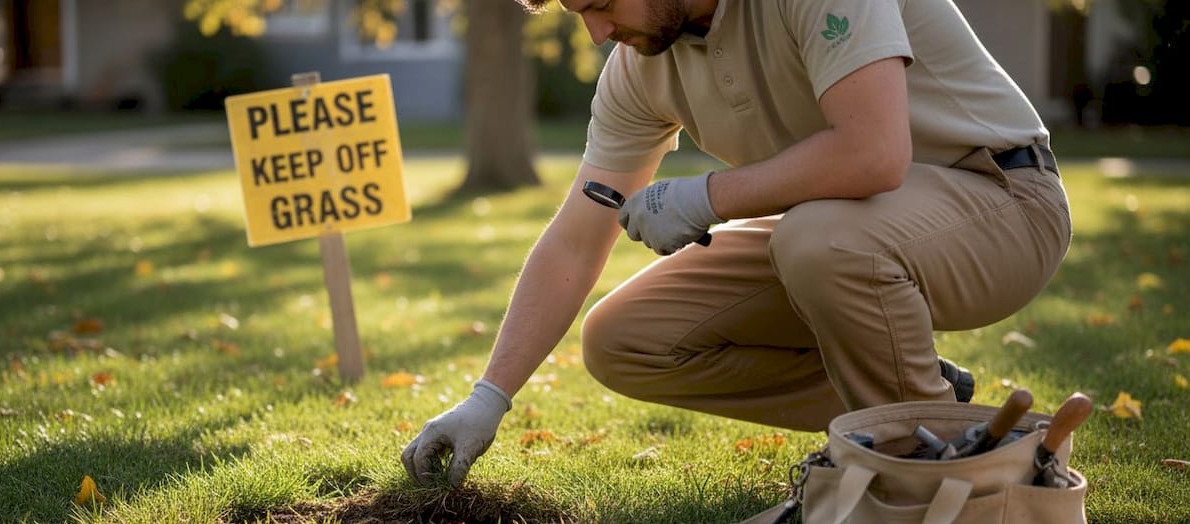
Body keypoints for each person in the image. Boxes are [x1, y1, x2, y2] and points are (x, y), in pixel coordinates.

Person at [401, 0, 1071, 486]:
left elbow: (874, 154)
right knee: (625, 341)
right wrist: (487, 398)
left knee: (818, 239)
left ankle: (925, 472)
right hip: (841, 229)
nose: (598, 32)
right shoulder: (639, 66)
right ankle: (922, 408)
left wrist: (706, 198)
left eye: (601, 5)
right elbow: (577, 239)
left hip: (1003, 202)